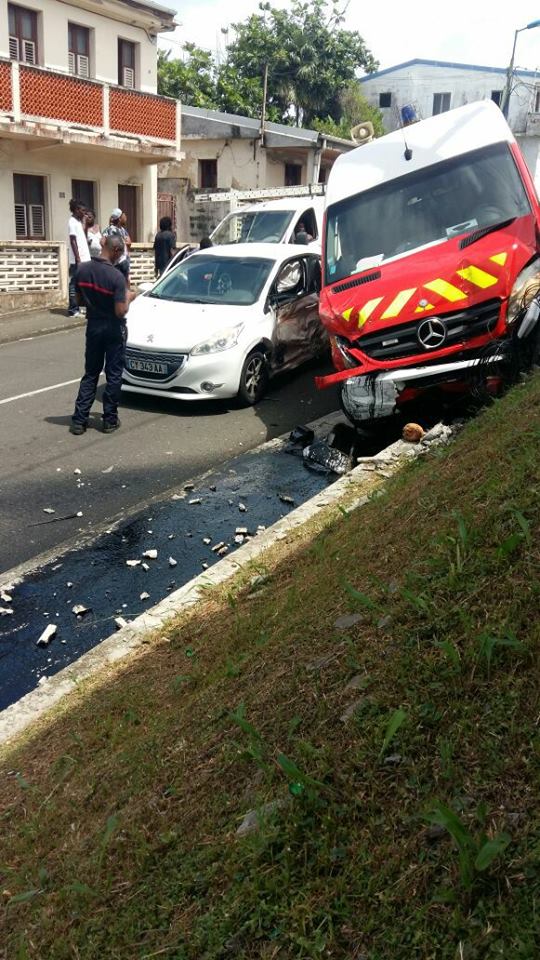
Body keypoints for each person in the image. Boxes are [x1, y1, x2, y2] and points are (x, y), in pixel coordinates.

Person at [69, 234, 136, 436]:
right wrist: (130, 296)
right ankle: (109, 420)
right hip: (114, 328)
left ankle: (79, 421)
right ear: (115, 251)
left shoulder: (83, 270)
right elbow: (120, 310)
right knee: (114, 374)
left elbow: (79, 299)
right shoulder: (115, 277)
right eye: (121, 253)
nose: (120, 257)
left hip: (94, 326)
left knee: (90, 373)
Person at [67, 199, 90, 316]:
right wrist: (78, 258)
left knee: (84, 284)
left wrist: (84, 222)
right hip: (77, 260)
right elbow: (73, 241)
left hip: (85, 259)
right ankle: (73, 310)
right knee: (73, 284)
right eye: (82, 210)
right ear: (77, 210)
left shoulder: (78, 222)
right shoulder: (71, 221)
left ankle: (82, 307)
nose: (84, 213)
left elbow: (83, 239)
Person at [102, 208, 131, 284]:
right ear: (119, 218)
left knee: (125, 282)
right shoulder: (110, 230)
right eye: (124, 216)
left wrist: (122, 241)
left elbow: (129, 242)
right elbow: (102, 243)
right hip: (116, 263)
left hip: (124, 260)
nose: (126, 218)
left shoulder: (122, 230)